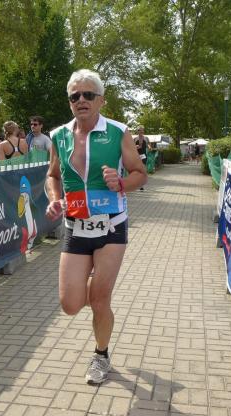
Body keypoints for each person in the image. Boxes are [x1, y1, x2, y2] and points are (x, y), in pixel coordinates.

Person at [45, 69, 147, 385]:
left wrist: (121, 183)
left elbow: (140, 173)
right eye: (75, 96)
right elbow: (53, 176)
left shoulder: (118, 132)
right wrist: (55, 199)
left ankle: (101, 355)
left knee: (100, 300)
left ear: (101, 100)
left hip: (111, 226)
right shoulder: (59, 135)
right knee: (70, 304)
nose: (81, 100)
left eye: (88, 94)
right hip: (76, 226)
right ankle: (92, 283)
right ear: (69, 102)